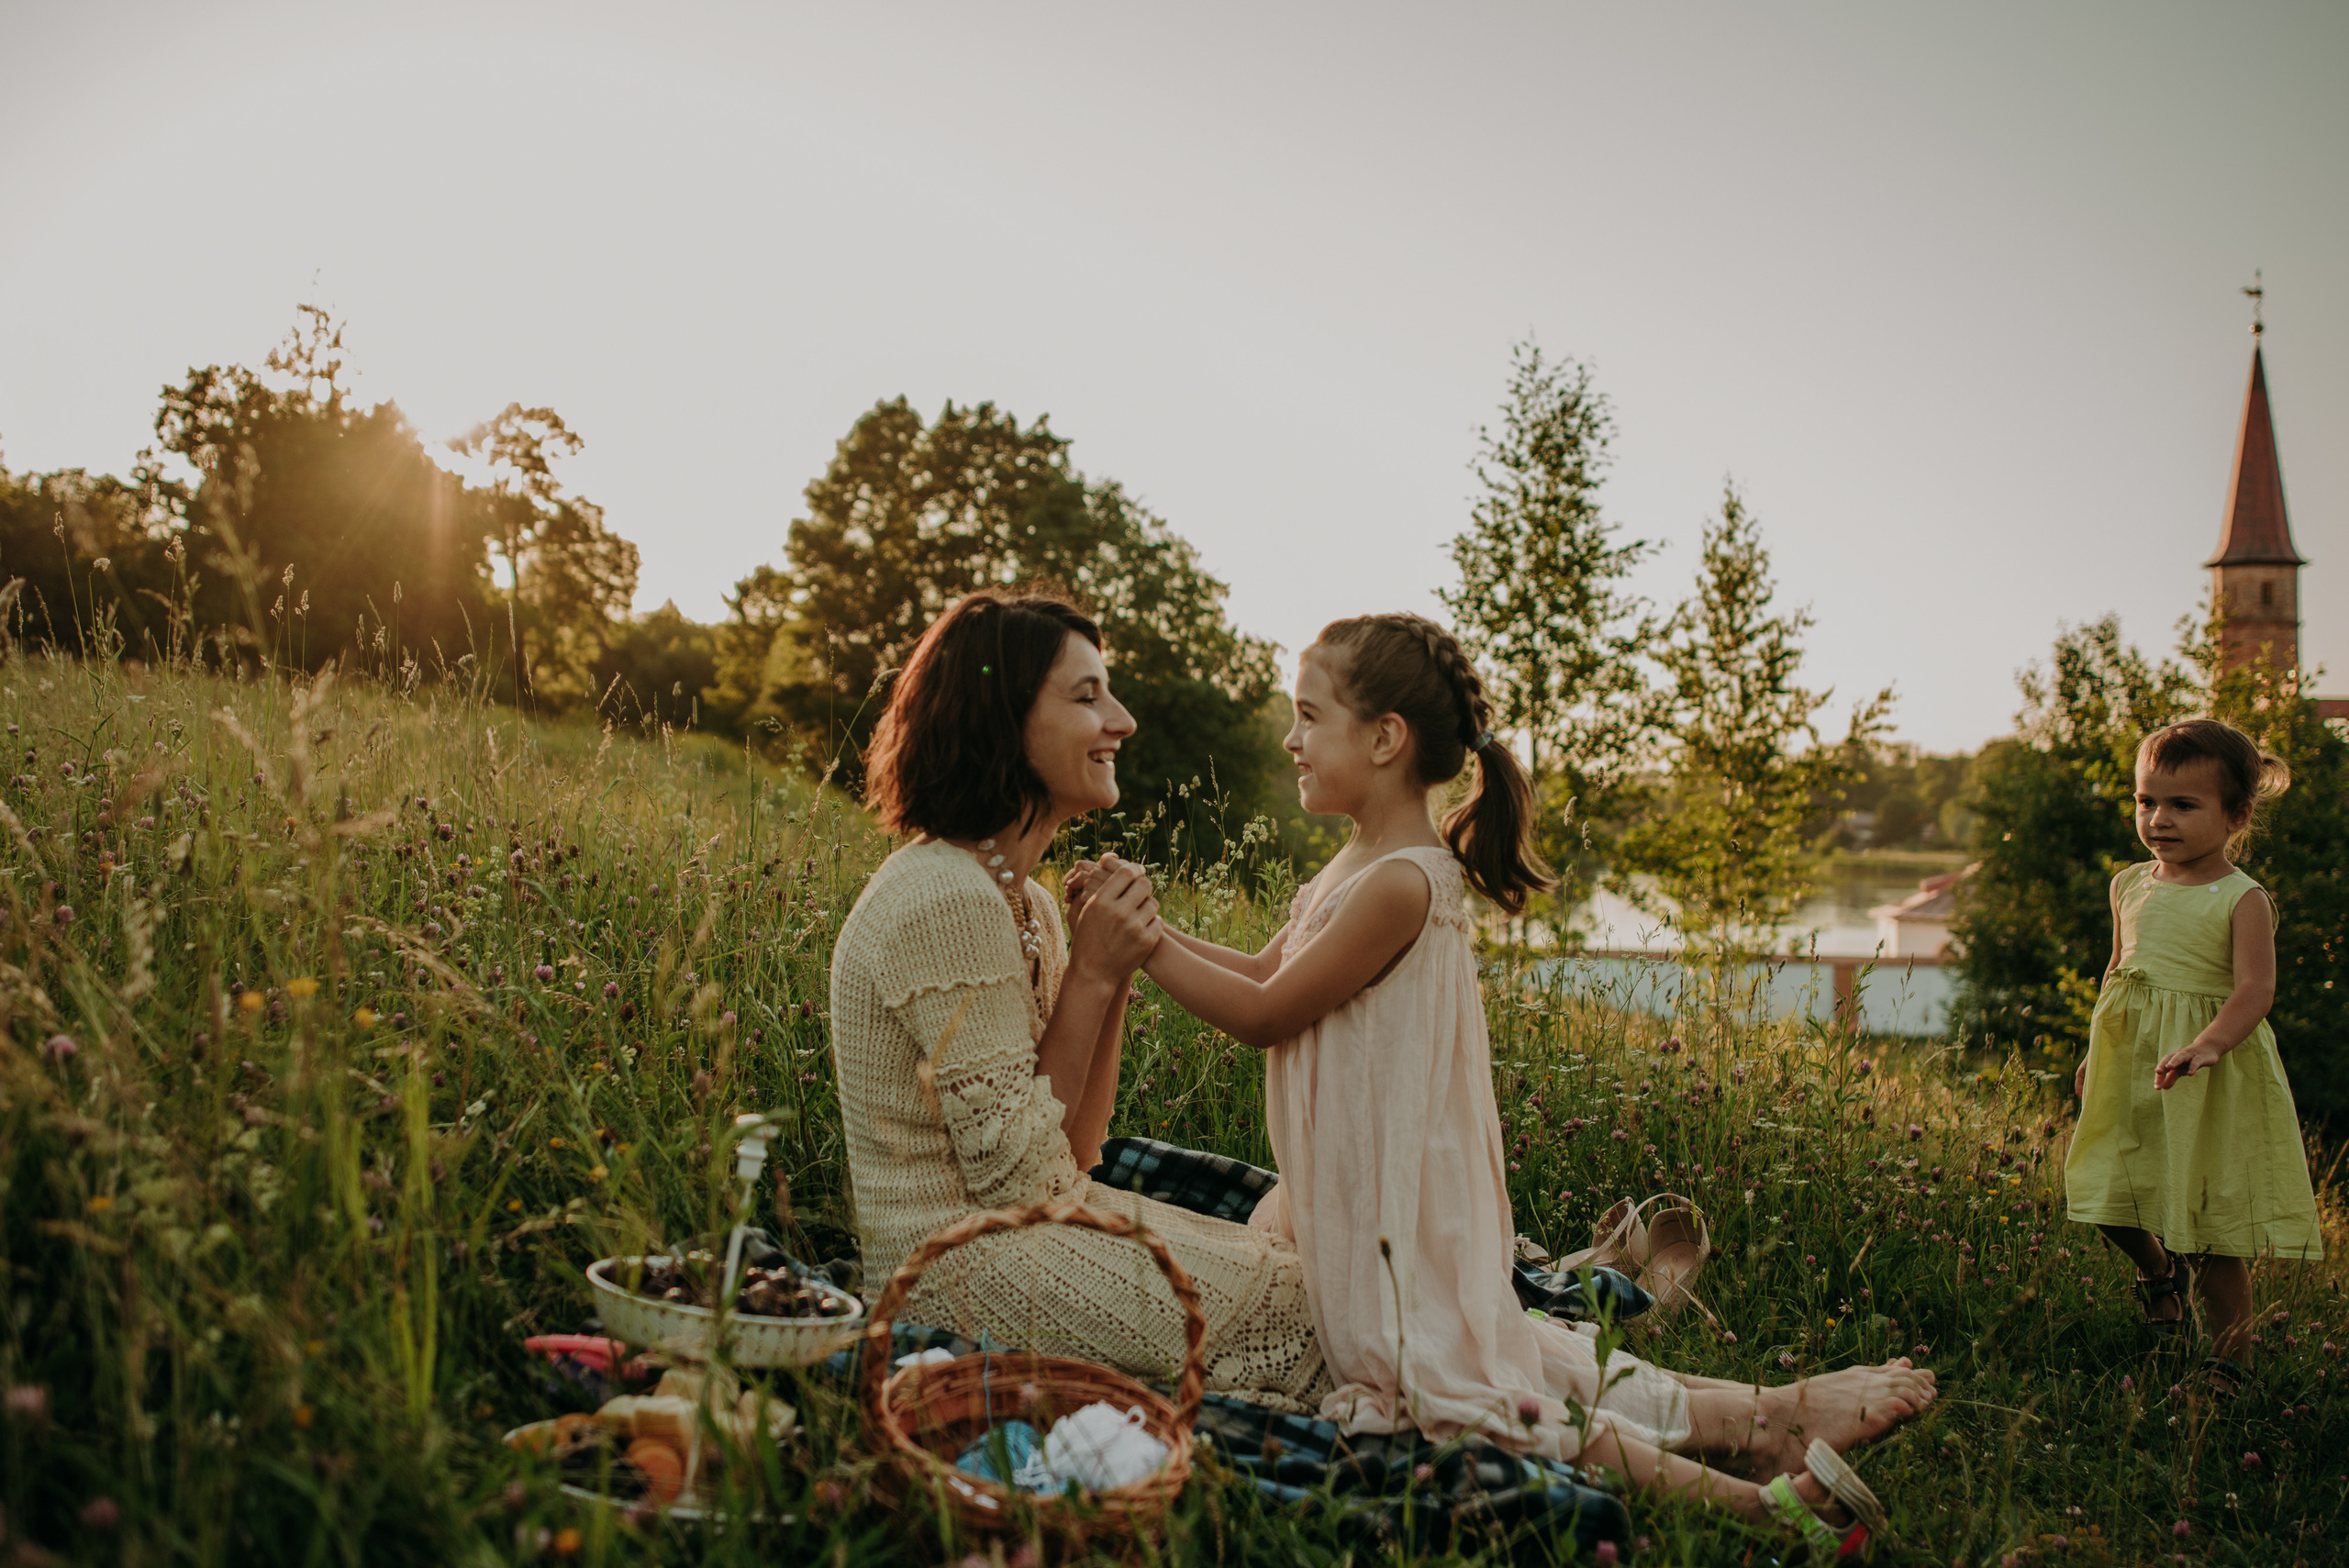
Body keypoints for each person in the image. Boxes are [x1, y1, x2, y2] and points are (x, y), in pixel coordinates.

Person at [1127, 612, 1936, 1540]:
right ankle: (1759, 1426)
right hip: (1355, 1193)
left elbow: (1265, 1015)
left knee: (1459, 1383)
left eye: (1309, 716)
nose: (1291, 737)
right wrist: (1150, 921)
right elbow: (1268, 970)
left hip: (1395, 1207)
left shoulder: (1402, 881)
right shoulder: (1355, 860)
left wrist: (1141, 945)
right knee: (1490, 1355)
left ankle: (1753, 1504)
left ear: (1385, 737)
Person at [829, 588, 1330, 1411]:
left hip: (1023, 1228)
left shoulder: (1026, 904)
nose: (1122, 720)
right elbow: (1022, 1188)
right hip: (948, 1273)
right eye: (1087, 696)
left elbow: (1078, 1151)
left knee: (1303, 1274)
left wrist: (1116, 969)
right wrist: (1094, 974)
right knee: (1297, 1306)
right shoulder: (941, 898)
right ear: (1004, 720)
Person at [2064, 718, 2324, 1394]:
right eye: (2147, 800)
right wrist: (2098, 1051)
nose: (2159, 818)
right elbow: (2118, 973)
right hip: (2134, 1063)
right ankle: (2158, 1273)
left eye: (2183, 805)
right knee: (2105, 1195)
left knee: (2209, 1226)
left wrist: (2207, 1044)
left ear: (2236, 815)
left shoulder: (2240, 898)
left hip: (2206, 1074)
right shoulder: (2129, 885)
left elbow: (2255, 990)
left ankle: (2232, 1361)